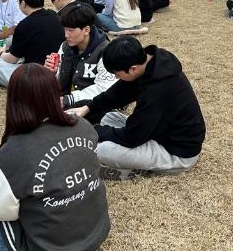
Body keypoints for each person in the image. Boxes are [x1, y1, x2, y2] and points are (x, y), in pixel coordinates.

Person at [0, 64, 109, 251]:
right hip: (97, 229)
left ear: (14, 100)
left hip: (49, 250)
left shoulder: (12, 153)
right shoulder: (83, 125)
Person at [67, 37, 205, 178]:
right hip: (158, 132)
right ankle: (133, 159)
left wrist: (93, 132)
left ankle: (135, 168)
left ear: (133, 68)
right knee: (110, 117)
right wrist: (88, 108)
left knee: (103, 150)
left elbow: (132, 137)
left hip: (176, 153)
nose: (116, 78)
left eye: (117, 74)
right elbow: (118, 92)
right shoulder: (151, 63)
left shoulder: (156, 91)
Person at [0, 0, 64, 87]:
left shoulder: (24, 25)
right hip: (56, 69)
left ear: (23, 3)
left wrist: (0, 53)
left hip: (35, 75)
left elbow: (12, 59)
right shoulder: (54, 15)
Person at [46, 2, 116, 109]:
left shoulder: (105, 51)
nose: (66, 35)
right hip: (63, 102)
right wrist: (51, 73)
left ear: (86, 30)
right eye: (65, 29)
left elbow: (104, 87)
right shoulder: (65, 47)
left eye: (71, 30)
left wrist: (69, 99)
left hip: (90, 108)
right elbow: (57, 82)